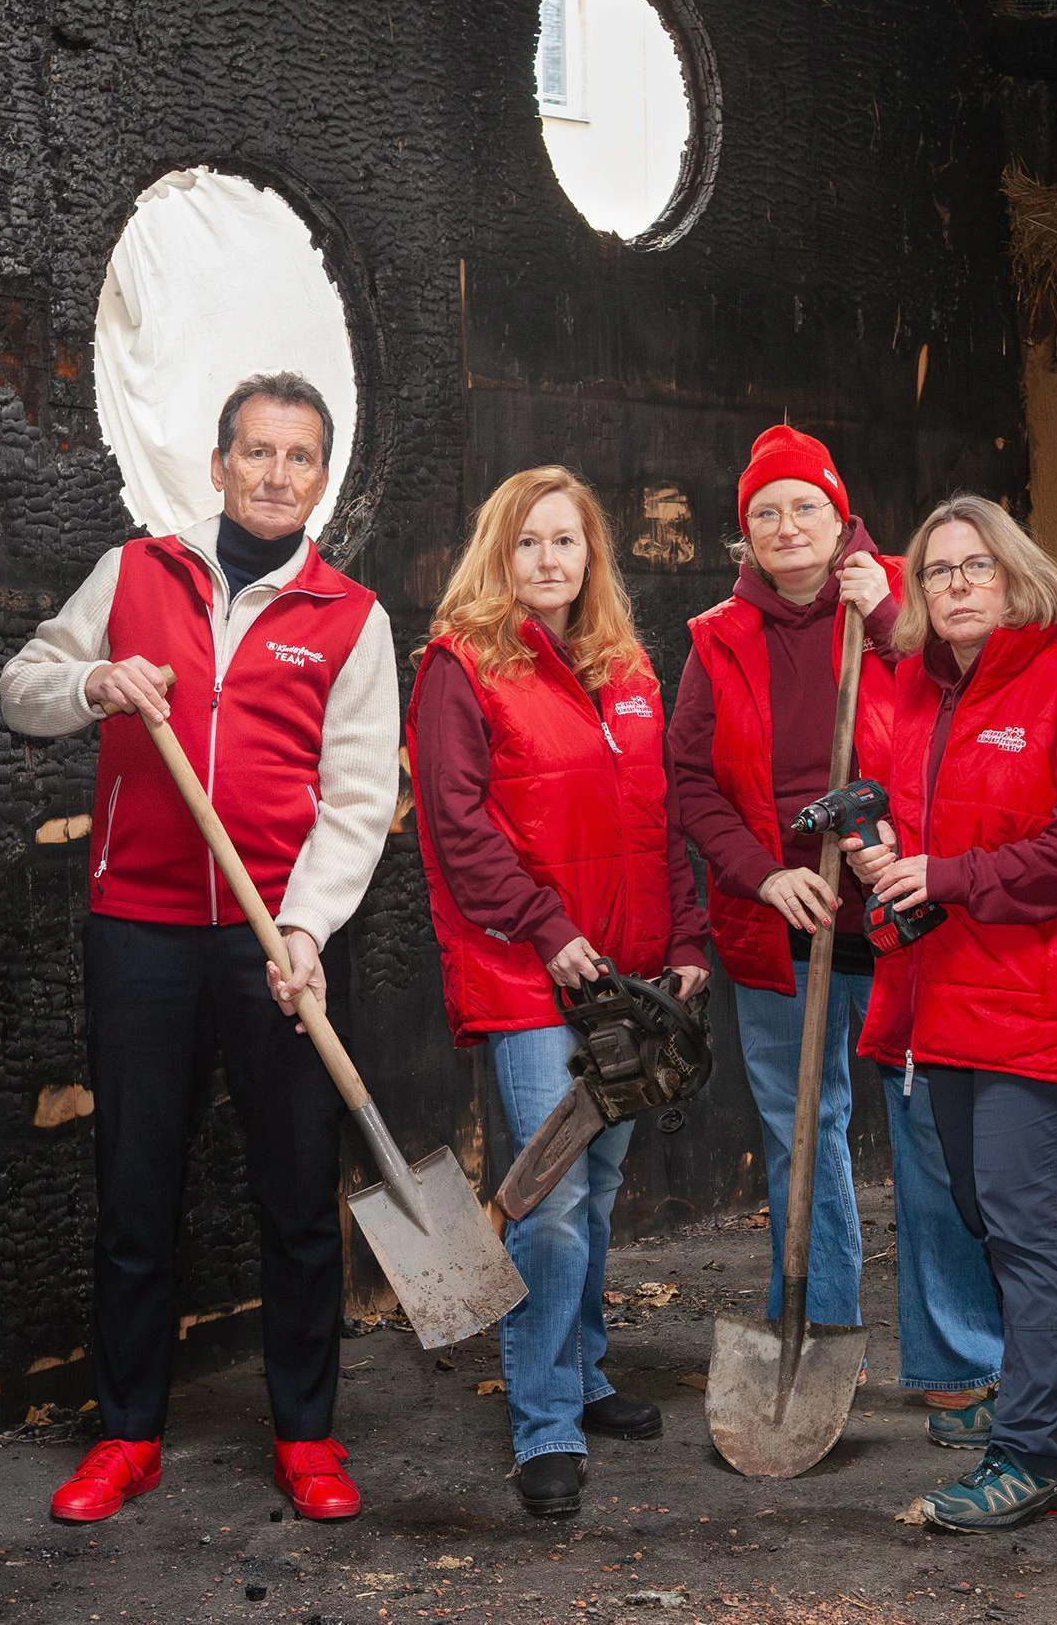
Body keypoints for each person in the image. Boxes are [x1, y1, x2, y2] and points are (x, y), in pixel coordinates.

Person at [1, 372, 400, 1527]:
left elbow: (359, 792)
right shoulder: (134, 575)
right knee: (134, 1190)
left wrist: (307, 927)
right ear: (219, 461)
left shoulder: (350, 617)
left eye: (300, 457)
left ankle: (307, 1433)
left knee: (293, 1199)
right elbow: (21, 689)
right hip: (141, 931)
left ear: (321, 478)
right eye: (257, 451)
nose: (276, 474)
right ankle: (126, 1435)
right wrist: (92, 680)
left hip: (279, 941)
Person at [668, 425, 1003, 1436]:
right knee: (797, 1136)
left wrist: (895, 616)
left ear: (839, 509)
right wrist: (764, 875)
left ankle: (956, 1358)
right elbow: (689, 781)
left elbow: (990, 695)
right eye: (764, 512)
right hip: (786, 930)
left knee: (930, 1143)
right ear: (745, 533)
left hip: (907, 919)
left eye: (802, 505)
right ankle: (819, 1336)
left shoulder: (913, 590)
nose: (785, 526)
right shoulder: (716, 637)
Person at [405, 465, 710, 1520]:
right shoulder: (460, 667)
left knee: (599, 1182)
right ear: (499, 549)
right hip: (531, 972)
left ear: (592, 556)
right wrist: (546, 927)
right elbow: (456, 825)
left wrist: (686, 935)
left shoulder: (626, 666)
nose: (547, 559)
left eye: (566, 542)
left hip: (626, 974)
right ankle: (544, 1421)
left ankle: (582, 1369)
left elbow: (663, 815)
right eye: (528, 540)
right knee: (550, 1195)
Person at [843, 496, 1057, 1532]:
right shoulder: (919, 697)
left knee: (1018, 1223)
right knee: (980, 1213)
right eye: (936, 571)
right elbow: (917, 834)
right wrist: (882, 858)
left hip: (1037, 997)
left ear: (1017, 578)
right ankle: (1046, 1397)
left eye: (977, 566)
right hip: (942, 997)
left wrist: (949, 871)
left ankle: (1033, 1452)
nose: (957, 584)